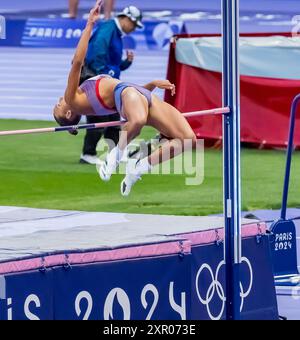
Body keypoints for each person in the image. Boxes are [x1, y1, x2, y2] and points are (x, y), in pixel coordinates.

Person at [53, 0, 197, 196]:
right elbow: (77, 62)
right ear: (68, 112)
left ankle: (138, 168)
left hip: (138, 95)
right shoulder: (73, 100)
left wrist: (152, 84)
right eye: (57, 106)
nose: (59, 100)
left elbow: (131, 96)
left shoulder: (88, 100)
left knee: (188, 140)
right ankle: (115, 156)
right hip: (129, 95)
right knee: (136, 121)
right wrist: (89, 24)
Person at [79, 4, 143, 165]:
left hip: (105, 82)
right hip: (95, 80)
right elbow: (98, 49)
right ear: (126, 18)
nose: (134, 29)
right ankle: (88, 154)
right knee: (99, 119)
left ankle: (116, 153)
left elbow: (114, 66)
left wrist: (126, 63)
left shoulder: (116, 33)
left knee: (114, 120)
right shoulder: (109, 28)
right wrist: (102, 74)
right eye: (134, 24)